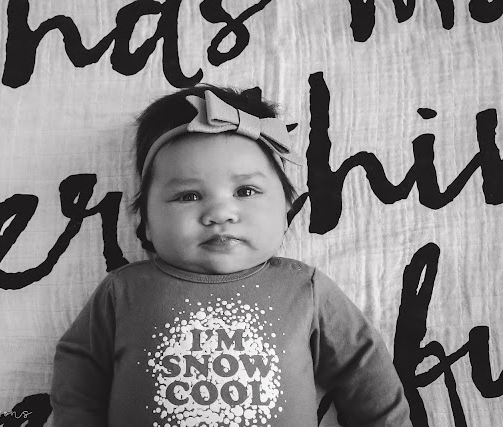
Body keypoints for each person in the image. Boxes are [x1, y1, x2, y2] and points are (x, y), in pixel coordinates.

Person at [50, 85, 412, 426]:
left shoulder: (304, 289)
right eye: (189, 196)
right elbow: (80, 367)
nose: (220, 213)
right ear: (144, 222)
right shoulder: (124, 290)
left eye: (246, 190)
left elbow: (363, 365)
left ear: (286, 208)